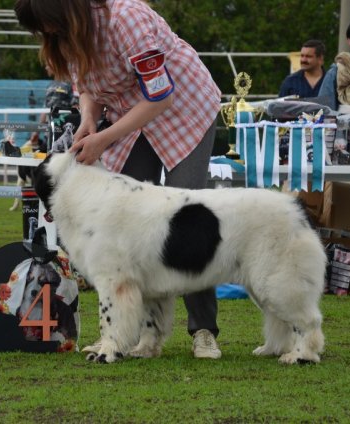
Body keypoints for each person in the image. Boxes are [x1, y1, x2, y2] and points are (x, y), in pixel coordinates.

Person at [14, 0, 223, 359]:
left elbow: (160, 95)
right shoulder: (68, 33)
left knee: (186, 219)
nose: (46, 33)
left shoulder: (126, 18)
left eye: (46, 24)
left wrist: (105, 138)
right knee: (122, 226)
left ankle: (203, 330)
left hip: (183, 111)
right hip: (131, 119)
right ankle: (141, 335)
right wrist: (88, 120)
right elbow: (88, 87)